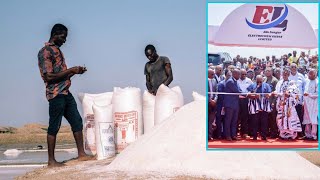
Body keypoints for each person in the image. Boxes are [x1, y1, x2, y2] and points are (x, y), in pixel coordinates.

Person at [38, 24, 92, 167]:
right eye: (63, 37)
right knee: (54, 126)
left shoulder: (57, 51)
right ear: (55, 34)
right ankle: (51, 161)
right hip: (56, 94)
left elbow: (60, 74)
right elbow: (49, 76)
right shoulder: (45, 52)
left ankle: (81, 154)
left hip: (66, 92)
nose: (65, 40)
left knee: (77, 121)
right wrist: (71, 71)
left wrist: (75, 71)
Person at [274, 68, 302, 140]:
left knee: (290, 119)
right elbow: (277, 91)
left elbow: (296, 92)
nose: (285, 75)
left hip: (289, 105)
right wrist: (274, 93)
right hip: (281, 104)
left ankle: (291, 135)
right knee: (280, 119)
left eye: (286, 74)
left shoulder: (292, 82)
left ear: (289, 74)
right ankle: (283, 134)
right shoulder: (279, 82)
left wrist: (289, 94)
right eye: (284, 73)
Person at [247, 75, 272, 140]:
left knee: (264, 121)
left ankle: (263, 135)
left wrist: (267, 95)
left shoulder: (266, 85)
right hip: (255, 106)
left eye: (260, 81)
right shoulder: (252, 85)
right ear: (256, 80)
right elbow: (248, 94)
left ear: (262, 80)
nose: (259, 83)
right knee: (254, 121)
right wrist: (253, 95)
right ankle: (254, 135)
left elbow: (269, 94)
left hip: (264, 106)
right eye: (258, 82)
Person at [223, 69, 242, 141]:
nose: (240, 76)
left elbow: (239, 90)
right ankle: (228, 135)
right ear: (235, 74)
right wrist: (247, 94)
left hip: (235, 104)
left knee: (234, 120)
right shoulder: (230, 81)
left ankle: (233, 135)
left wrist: (247, 93)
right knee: (228, 120)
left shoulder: (236, 81)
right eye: (239, 74)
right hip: (229, 104)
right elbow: (237, 91)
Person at [289, 63, 306, 137]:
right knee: (291, 117)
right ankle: (292, 132)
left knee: (299, 116)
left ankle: (300, 133)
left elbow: (304, 88)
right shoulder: (288, 76)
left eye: (295, 67)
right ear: (290, 68)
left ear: (297, 67)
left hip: (299, 101)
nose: (293, 68)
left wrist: (303, 101)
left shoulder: (301, 76)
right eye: (292, 67)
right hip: (290, 102)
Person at [216, 70, 232, 139]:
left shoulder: (231, 84)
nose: (229, 77)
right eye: (228, 75)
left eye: (230, 76)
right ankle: (219, 134)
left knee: (226, 120)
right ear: (225, 75)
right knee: (219, 120)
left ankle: (225, 134)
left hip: (228, 105)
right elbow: (220, 95)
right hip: (221, 105)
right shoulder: (221, 84)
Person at [303, 69, 318, 140]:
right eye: (309, 74)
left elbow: (317, 94)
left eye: (310, 74)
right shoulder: (307, 81)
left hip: (314, 104)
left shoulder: (317, 82)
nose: (309, 75)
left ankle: (313, 135)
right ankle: (307, 135)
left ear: (314, 75)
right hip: (307, 103)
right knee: (307, 119)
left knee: (313, 120)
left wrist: (309, 94)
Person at [237, 69, 253, 139]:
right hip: (237, 100)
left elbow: (252, 89)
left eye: (245, 74)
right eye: (242, 74)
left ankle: (244, 133)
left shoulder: (249, 80)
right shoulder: (236, 80)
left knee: (245, 117)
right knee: (237, 117)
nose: (243, 76)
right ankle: (235, 132)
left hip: (246, 100)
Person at [264, 67, 279, 138]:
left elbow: (276, 92)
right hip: (265, 102)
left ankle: (274, 133)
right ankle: (267, 132)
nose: (267, 72)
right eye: (266, 71)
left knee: (273, 118)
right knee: (266, 118)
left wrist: (273, 102)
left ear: (272, 72)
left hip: (272, 102)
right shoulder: (264, 79)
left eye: (269, 71)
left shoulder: (275, 80)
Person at [208, 69, 218, 140]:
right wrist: (210, 100)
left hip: (213, 104)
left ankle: (209, 135)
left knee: (211, 121)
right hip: (207, 103)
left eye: (214, 74)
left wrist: (215, 100)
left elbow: (217, 92)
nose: (213, 75)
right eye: (212, 74)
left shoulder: (214, 81)